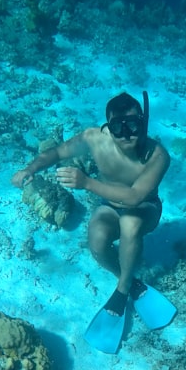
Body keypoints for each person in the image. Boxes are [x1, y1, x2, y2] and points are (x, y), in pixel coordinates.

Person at [12, 91, 175, 352]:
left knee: (130, 225)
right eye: (117, 127)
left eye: (132, 124)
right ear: (107, 127)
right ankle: (132, 282)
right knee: (97, 241)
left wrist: (86, 183)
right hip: (109, 206)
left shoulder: (158, 155)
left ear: (143, 122)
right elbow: (56, 152)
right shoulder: (94, 138)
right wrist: (29, 169)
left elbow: (134, 197)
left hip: (145, 209)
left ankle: (121, 293)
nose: (126, 134)